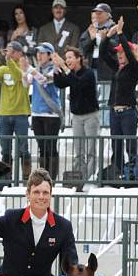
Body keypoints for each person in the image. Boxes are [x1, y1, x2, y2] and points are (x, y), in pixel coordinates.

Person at [99, 16, 138, 179]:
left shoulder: (134, 68)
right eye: (118, 53)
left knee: (130, 144)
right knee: (116, 144)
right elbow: (103, 52)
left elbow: (129, 52)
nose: (120, 55)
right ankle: (117, 172)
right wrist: (108, 36)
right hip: (114, 112)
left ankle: (133, 173)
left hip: (128, 111)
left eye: (122, 52)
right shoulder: (117, 67)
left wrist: (121, 33)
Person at [53, 46, 99, 186]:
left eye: (70, 57)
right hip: (77, 116)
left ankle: (90, 177)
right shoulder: (70, 73)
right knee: (78, 149)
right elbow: (60, 84)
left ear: (79, 58)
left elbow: (77, 84)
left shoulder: (89, 73)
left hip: (91, 115)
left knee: (91, 148)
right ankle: (79, 177)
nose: (67, 60)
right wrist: (56, 69)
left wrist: (64, 68)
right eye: (66, 58)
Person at [0, 41, 31, 183]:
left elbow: (19, 76)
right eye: (8, 52)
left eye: (12, 52)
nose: (10, 54)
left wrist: (9, 61)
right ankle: (6, 178)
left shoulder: (24, 66)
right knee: (5, 148)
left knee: (23, 147)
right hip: (4, 113)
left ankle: (26, 178)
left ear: (19, 53)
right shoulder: (4, 69)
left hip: (21, 112)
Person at [21, 42, 62, 180]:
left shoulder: (55, 69)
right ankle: (43, 177)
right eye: (38, 53)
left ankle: (52, 178)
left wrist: (30, 69)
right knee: (42, 147)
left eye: (42, 53)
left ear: (50, 55)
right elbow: (26, 83)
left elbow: (44, 81)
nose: (39, 56)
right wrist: (23, 71)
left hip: (51, 114)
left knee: (51, 146)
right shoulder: (36, 69)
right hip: (37, 113)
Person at [79, 4, 118, 127]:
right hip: (92, 67)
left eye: (100, 13)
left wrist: (105, 39)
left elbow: (117, 46)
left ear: (108, 15)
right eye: (96, 13)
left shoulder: (114, 28)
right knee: (92, 97)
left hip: (107, 68)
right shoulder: (91, 28)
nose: (97, 15)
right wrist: (91, 38)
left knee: (106, 98)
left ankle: (105, 124)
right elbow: (83, 48)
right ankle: (95, 123)